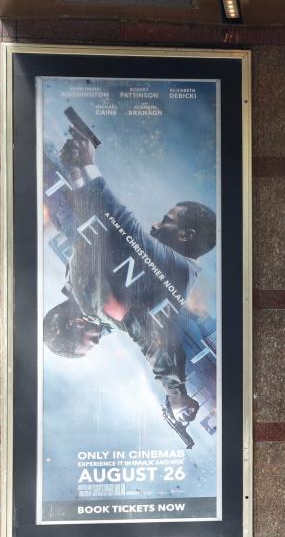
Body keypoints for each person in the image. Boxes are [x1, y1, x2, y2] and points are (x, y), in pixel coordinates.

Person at [41, 134, 217, 425]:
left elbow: (148, 335)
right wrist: (77, 171)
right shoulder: (76, 278)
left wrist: (175, 395)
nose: (100, 337)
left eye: (92, 341)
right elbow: (87, 222)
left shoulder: (98, 301)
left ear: (75, 323)